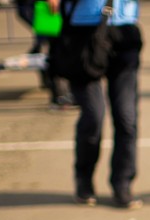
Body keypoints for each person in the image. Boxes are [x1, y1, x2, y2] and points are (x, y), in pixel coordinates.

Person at [49, 0, 143, 208]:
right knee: (94, 116)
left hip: (124, 30)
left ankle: (122, 183)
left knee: (126, 117)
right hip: (82, 32)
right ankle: (84, 178)